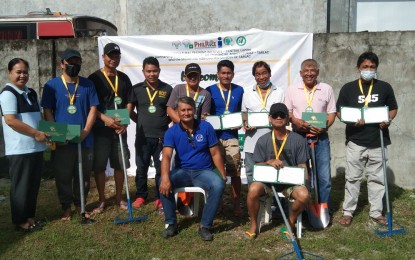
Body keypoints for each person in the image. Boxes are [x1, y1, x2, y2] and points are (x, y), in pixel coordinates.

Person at [336, 51, 398, 226]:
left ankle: (376, 211)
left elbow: (393, 108)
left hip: (378, 140)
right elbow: (340, 111)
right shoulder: (348, 88)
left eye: (372, 67)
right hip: (355, 140)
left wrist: (388, 120)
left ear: (376, 69)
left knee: (377, 178)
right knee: (352, 178)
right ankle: (348, 212)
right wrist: (350, 121)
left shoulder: (385, 87)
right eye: (365, 67)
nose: (368, 70)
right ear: (358, 69)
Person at [41, 49, 99, 221]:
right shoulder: (52, 85)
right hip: (63, 141)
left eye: (77, 63)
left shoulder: (88, 85)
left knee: (84, 175)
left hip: (84, 139)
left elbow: (93, 109)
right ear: (62, 64)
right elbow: (48, 110)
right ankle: (66, 207)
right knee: (63, 175)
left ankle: (81, 205)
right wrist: (57, 134)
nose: (74, 66)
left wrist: (86, 131)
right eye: (70, 63)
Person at [159, 97, 226, 241]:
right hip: (182, 171)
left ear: (195, 110)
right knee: (162, 181)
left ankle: (205, 226)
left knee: (219, 184)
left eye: (189, 109)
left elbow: (215, 153)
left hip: (203, 171)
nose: (186, 113)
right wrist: (165, 178)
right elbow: (166, 156)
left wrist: (222, 174)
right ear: (177, 112)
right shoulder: (171, 132)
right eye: (183, 110)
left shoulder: (206, 127)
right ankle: (171, 223)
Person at [245, 103, 309, 239]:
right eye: (275, 115)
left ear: (287, 119)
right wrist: (269, 162)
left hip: (290, 183)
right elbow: (258, 166)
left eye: (282, 115)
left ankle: (290, 222)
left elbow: (302, 165)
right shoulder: (262, 140)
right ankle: (254, 225)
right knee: (252, 189)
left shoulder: (299, 140)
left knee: (304, 195)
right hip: (268, 182)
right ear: (270, 118)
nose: (278, 117)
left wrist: (305, 181)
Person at [0, 58, 49, 232]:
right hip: (20, 149)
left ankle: (30, 217)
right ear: (9, 73)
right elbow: (11, 121)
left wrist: (49, 133)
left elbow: (38, 118)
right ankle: (20, 221)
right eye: (18, 72)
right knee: (21, 186)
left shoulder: (31, 92)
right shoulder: (8, 94)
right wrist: (36, 133)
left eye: (25, 72)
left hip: (35, 148)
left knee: (32, 185)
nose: (22, 75)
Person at [284, 59, 336, 208]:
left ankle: (323, 207)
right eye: (306, 71)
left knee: (324, 176)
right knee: (302, 175)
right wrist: (296, 121)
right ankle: (304, 207)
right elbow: (288, 113)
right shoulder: (292, 89)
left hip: (321, 138)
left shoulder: (326, 89)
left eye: (312, 70)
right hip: (298, 137)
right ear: (301, 73)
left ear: (317, 72)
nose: (309, 73)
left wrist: (325, 126)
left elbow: (332, 113)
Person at [88, 43, 132, 213]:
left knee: (120, 164)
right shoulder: (94, 79)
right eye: (110, 56)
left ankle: (120, 197)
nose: (113, 59)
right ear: (103, 57)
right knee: (99, 165)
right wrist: (104, 118)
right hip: (100, 129)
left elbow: (129, 101)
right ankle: (101, 199)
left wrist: (125, 122)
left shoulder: (124, 78)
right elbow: (91, 105)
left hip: (119, 129)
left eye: (116, 56)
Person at [127, 57, 173, 210]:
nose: (152, 74)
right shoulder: (136, 89)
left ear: (159, 71)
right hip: (143, 137)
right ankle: (141, 196)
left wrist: (163, 123)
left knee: (161, 169)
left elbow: (170, 112)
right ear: (143, 72)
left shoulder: (167, 89)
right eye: (148, 71)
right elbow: (130, 111)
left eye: (154, 71)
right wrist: (139, 121)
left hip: (162, 137)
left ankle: (159, 196)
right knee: (141, 167)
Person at [206, 60, 244, 216]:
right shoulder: (209, 90)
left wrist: (241, 122)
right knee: (216, 173)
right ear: (217, 74)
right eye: (223, 73)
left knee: (235, 173)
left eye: (229, 73)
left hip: (232, 137)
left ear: (233, 74)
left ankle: (236, 204)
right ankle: (218, 203)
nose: (226, 76)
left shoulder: (239, 90)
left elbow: (243, 112)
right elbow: (205, 113)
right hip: (214, 139)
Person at [242, 61, 285, 184]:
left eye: (264, 73)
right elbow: (244, 114)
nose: (261, 77)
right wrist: (246, 123)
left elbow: (283, 117)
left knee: (275, 173)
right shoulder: (247, 93)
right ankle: (256, 202)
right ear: (254, 76)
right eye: (257, 74)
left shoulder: (279, 92)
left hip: (274, 142)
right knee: (251, 173)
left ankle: (274, 203)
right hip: (252, 141)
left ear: (270, 74)